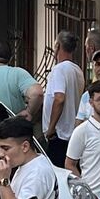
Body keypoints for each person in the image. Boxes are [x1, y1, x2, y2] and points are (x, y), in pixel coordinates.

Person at [0, 117, 74, 199]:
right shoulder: (28, 165)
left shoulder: (37, 173)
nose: (0, 154)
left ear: (25, 146)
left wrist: (3, 181)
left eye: (5, 148)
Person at [65, 80, 100, 196]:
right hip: (95, 198)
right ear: (91, 102)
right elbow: (69, 164)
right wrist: (86, 192)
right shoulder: (81, 131)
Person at [40, 31, 84, 168]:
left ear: (57, 46)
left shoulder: (59, 69)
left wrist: (51, 128)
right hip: (72, 133)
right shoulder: (78, 70)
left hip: (59, 134)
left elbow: (59, 98)